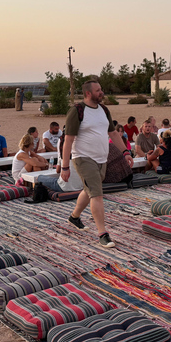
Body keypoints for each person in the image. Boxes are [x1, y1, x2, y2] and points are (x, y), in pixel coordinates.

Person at [60, 79, 131, 248]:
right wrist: (64, 166)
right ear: (88, 93)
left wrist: (125, 152)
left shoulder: (104, 110)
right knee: (97, 194)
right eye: (98, 90)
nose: (102, 92)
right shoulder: (77, 111)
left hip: (101, 158)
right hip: (83, 158)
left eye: (101, 89)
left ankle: (74, 217)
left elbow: (113, 134)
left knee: (90, 189)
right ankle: (102, 233)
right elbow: (68, 140)